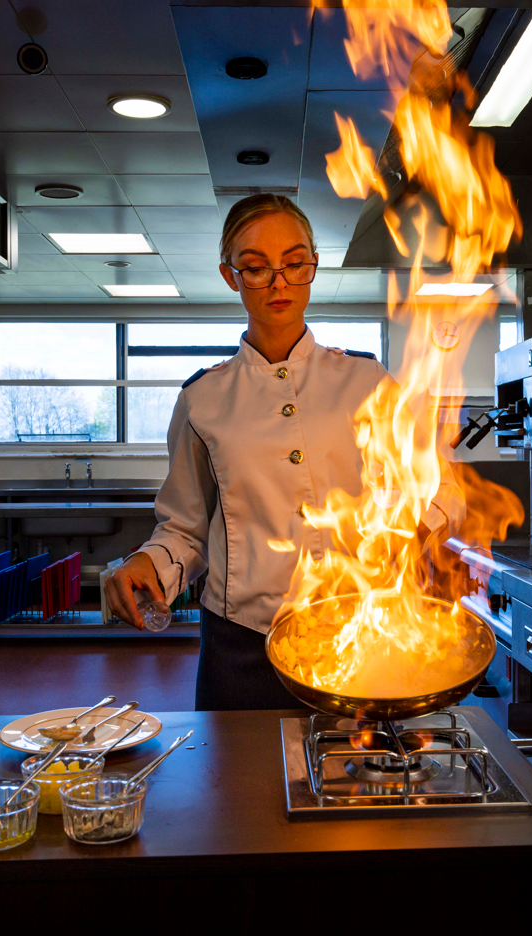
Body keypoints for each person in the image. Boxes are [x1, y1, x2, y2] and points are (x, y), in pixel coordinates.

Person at [104, 194, 461, 710]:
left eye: (295, 264)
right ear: (231, 276)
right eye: (256, 267)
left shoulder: (367, 382)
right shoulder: (203, 401)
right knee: (240, 789)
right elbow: (185, 528)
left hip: (361, 638)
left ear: (313, 267)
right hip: (243, 650)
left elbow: (443, 489)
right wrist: (149, 563)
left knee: (360, 786)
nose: (278, 282)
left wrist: (410, 536)